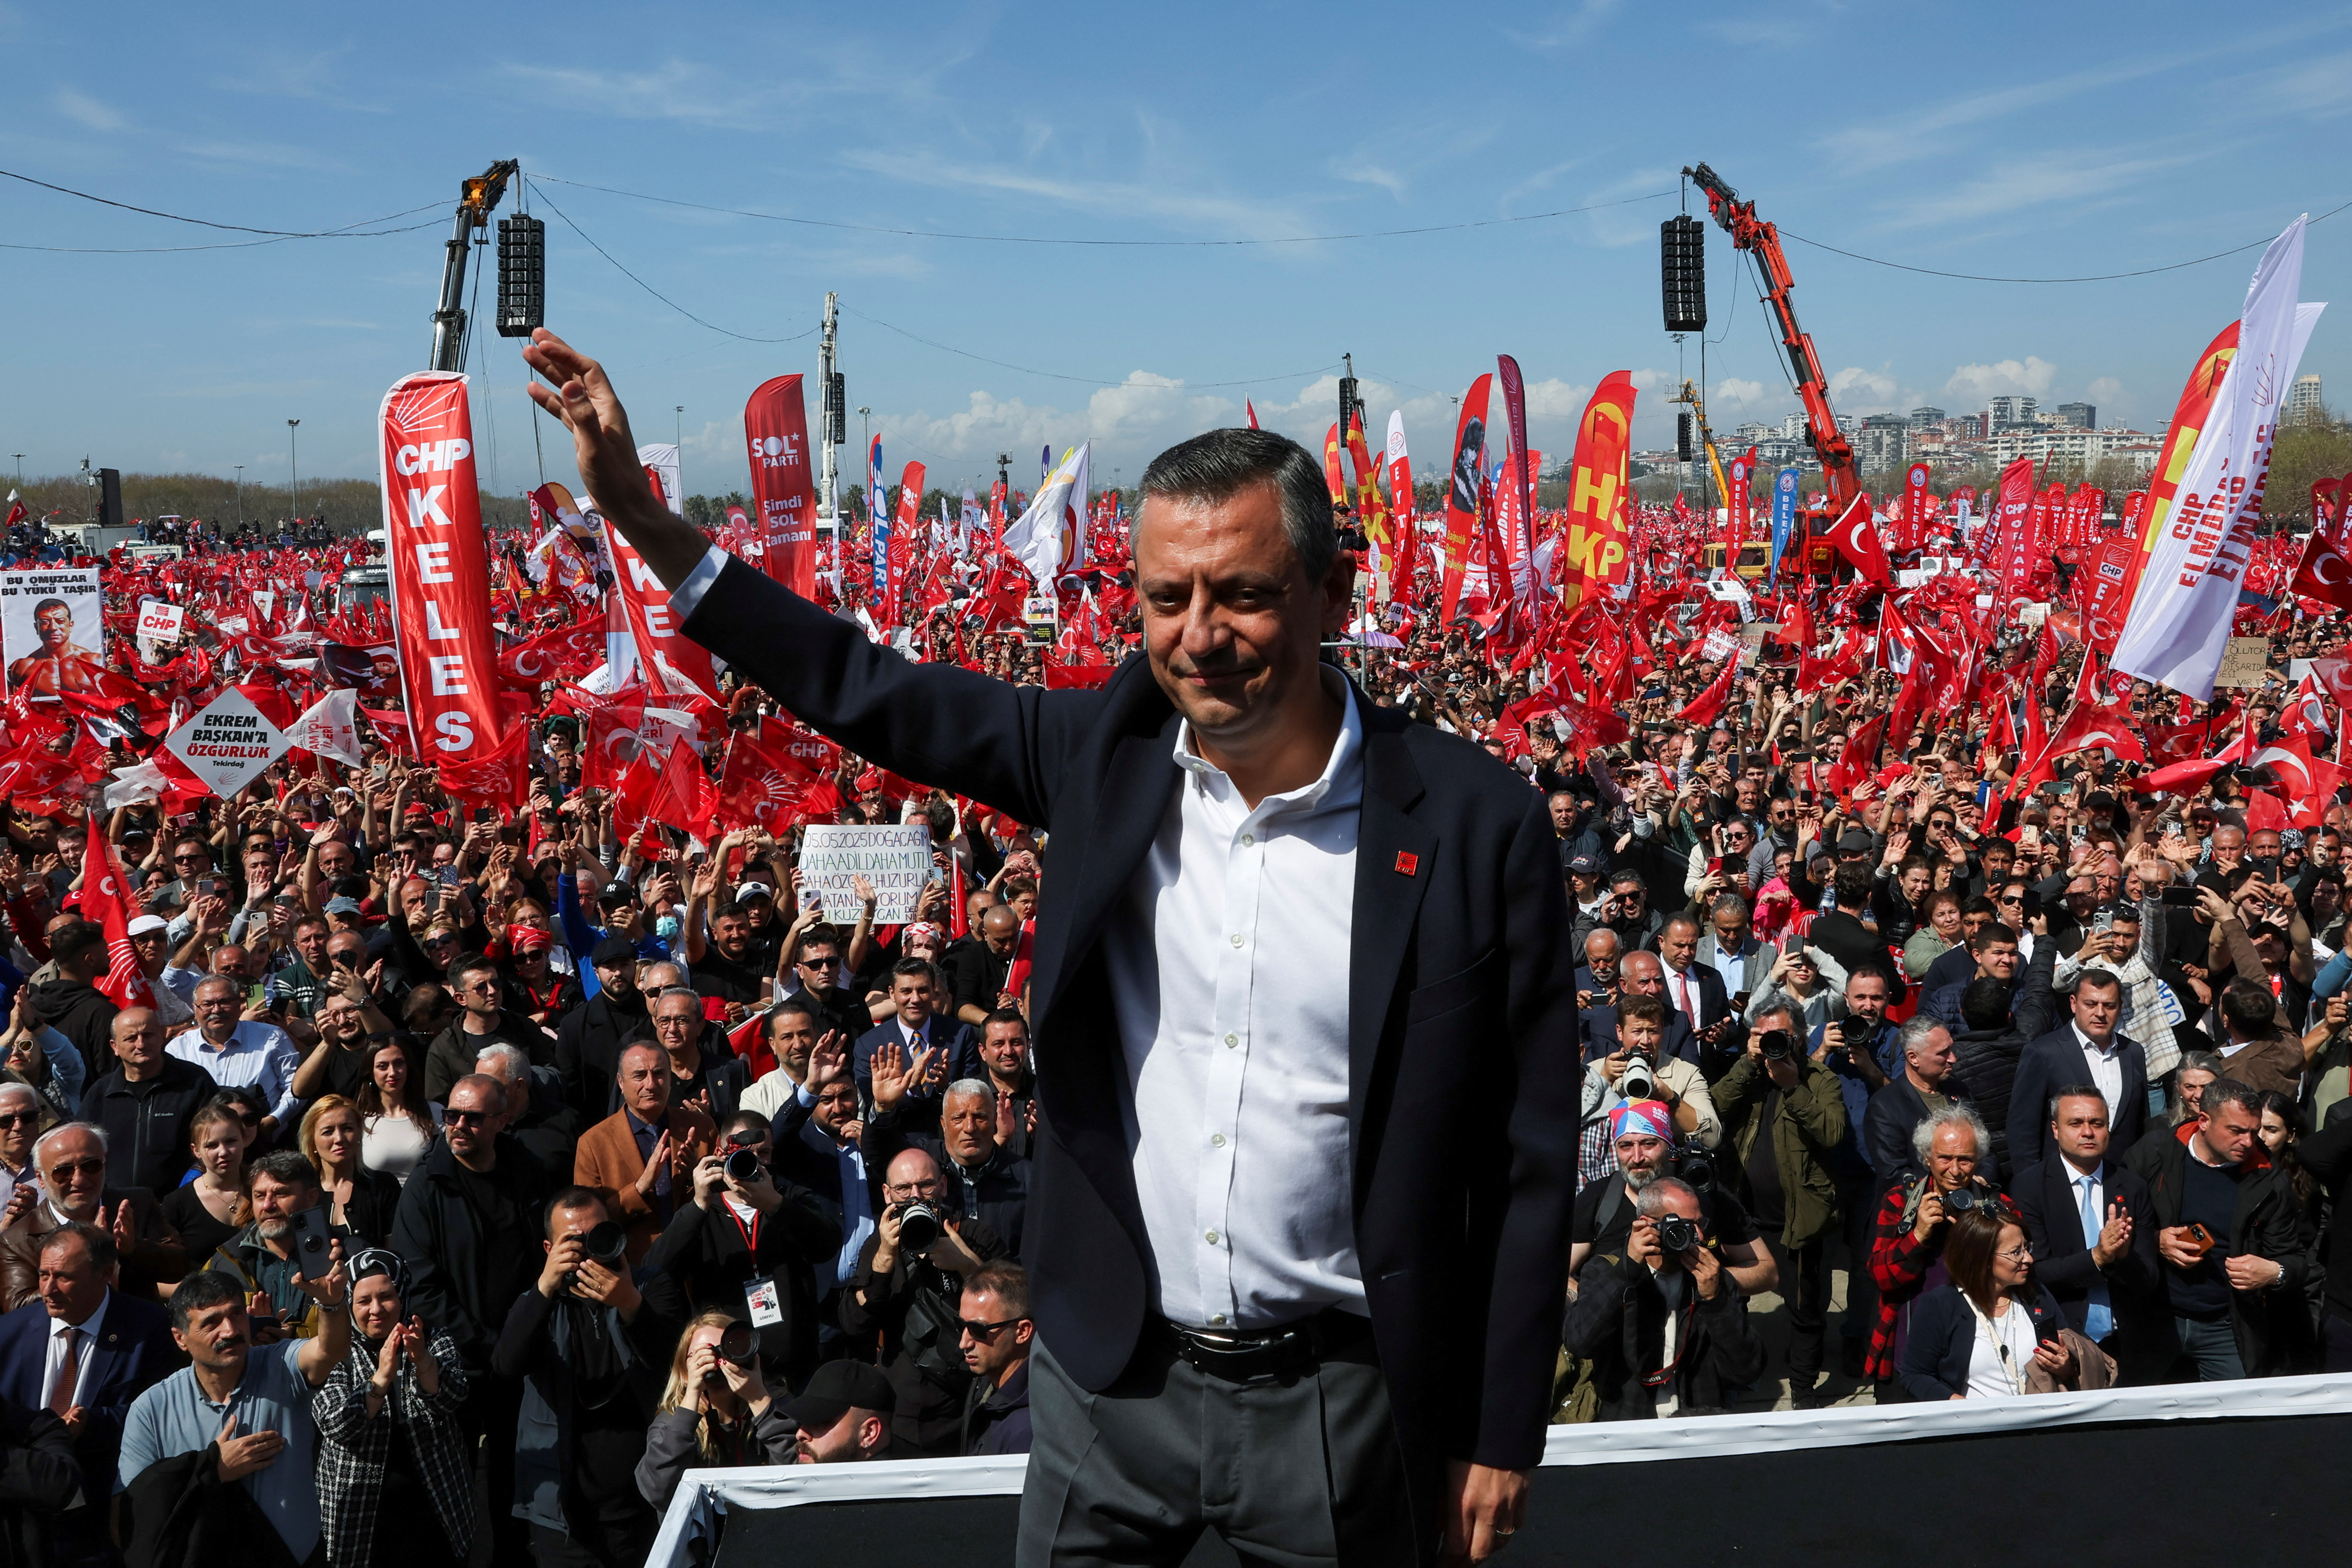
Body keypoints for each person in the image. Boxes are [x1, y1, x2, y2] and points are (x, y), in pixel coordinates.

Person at [543, 332, 1578, 1563]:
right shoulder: (1101, 757)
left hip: (1341, 1402)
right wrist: (646, 522)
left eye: (1241, 594)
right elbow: (860, 684)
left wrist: (1501, 1425)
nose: (1199, 635)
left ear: (1332, 594)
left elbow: (1527, 1154)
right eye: (1165, 598)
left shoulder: (1471, 822)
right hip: (1108, 1384)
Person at [387, 1072, 551, 1567]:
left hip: (523, 1355)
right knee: (452, 1483)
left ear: (503, 1120)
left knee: (516, 1477)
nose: (457, 1125)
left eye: (472, 1117)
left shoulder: (527, 1170)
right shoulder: (426, 1186)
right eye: (451, 1115)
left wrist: (522, 1338)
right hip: (455, 1362)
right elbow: (420, 1286)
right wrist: (485, 1343)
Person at [115, 1245, 351, 1567]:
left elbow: (328, 1350)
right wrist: (212, 1469)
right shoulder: (152, 1408)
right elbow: (135, 1508)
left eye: (236, 1314)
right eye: (211, 1322)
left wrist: (331, 1304)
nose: (230, 1330)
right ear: (180, 1338)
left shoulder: (280, 1365)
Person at [492, 1186, 686, 1568]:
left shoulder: (649, 1285)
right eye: (573, 1241)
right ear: (549, 1248)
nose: (588, 1249)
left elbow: (675, 1364)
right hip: (563, 1517)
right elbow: (506, 1365)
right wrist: (546, 1287)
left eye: (597, 1234)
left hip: (645, 1503)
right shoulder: (538, 1302)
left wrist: (629, 1302)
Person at [0, 1221, 178, 1568]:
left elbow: (161, 1413)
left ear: (106, 1274)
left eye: (64, 1277)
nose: (48, 1289)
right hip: (24, 1520)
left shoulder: (149, 1328)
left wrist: (92, 1424)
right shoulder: (9, 1331)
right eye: (43, 1275)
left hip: (102, 1516)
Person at [640, 1108, 839, 1390]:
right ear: (720, 1154)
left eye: (764, 1154)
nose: (755, 1162)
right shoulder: (702, 1214)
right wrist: (698, 1205)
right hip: (728, 1375)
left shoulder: (790, 1200)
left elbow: (826, 1246)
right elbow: (654, 1273)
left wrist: (774, 1205)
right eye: (744, 1153)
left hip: (795, 1372)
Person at [1713, 1007, 1848, 1406]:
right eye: (1763, 1034)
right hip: (1745, 1218)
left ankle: (1803, 1392)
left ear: (1800, 1038)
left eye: (1781, 1036)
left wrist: (1793, 1087)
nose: (1772, 1043)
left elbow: (1833, 1132)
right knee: (1729, 1299)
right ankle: (1736, 1374)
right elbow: (1711, 1113)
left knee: (1805, 1309)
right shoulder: (1748, 1075)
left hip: (1798, 1220)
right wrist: (1746, 1064)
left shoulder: (1819, 1079)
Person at [312, 1248, 475, 1568]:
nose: (376, 1309)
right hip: (360, 1519)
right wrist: (381, 1379)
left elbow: (453, 1397)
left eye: (386, 1296)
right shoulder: (334, 1352)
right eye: (363, 1301)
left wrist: (423, 1359)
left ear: (402, 1295)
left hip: (436, 1509)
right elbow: (336, 1425)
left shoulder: (432, 1338)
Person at [843, 1145, 1009, 1456]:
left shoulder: (974, 1236)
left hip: (966, 1409)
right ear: (887, 1194)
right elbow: (854, 1324)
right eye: (904, 1188)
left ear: (944, 1186)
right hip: (899, 1415)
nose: (916, 1196)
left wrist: (967, 1266)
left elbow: (1015, 1312)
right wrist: (884, 1260)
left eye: (926, 1185)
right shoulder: (879, 1244)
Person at [2137, 1078, 2304, 1380]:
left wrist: (2273, 1272)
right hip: (2156, 1318)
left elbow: (2295, 1259)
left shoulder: (2269, 1179)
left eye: (2254, 1131)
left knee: (2237, 1408)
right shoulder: (2156, 1153)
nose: (2248, 1142)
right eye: (2237, 1131)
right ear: (2204, 1121)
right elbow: (2111, 1225)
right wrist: (2155, 1240)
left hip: (2227, 1327)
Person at [1559, 1177, 1767, 1419]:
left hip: (1697, 1420)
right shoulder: (1606, 1271)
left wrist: (1715, 1301)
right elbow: (1580, 1342)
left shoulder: (1711, 1278)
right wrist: (1626, 1273)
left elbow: (1747, 1371)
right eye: (1685, 1226)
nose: (1699, 1235)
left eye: (1700, 1224)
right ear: (1647, 1226)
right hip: (1629, 1421)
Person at [2009, 1087, 2165, 1384]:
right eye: (2076, 1123)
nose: (2088, 1132)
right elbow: (2034, 1271)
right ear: (2055, 1129)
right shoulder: (2030, 1188)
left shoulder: (2132, 1187)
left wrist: (2122, 1258)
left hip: (2129, 1346)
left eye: (2097, 1123)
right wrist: (2097, 1258)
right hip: (2064, 1343)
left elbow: (2149, 1278)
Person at [1862, 1103, 2011, 1401]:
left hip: (1975, 1355)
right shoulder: (1900, 1202)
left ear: (1978, 1160)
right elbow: (1880, 1277)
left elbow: (2019, 1274)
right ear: (1927, 1156)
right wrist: (1918, 1235)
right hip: (1908, 1347)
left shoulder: (1998, 1207)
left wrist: (1979, 1231)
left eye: (1965, 1160)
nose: (1955, 1171)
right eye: (1945, 1158)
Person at [1568, 1099, 1773, 1298]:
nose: (1637, 1158)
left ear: (1669, 1146)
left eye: (1648, 1144)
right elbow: (1557, 1273)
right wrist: (1591, 1304)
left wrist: (1713, 1280)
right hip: (1620, 1320)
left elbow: (1768, 1273)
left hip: (1696, 1318)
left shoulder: (1706, 1196)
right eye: (1626, 1146)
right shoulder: (1599, 1200)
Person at [1895, 1206, 2090, 1399]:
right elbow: (1915, 1375)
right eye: (2016, 1252)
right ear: (1983, 1258)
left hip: (2038, 1417)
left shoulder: (2036, 1296)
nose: (2029, 1259)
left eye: (2027, 1248)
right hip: (1975, 1419)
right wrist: (1959, 1405)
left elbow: (2070, 1364)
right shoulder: (1941, 1305)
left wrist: (2064, 1367)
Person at [2, 1123, 183, 1310]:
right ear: (40, 1178)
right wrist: (84, 1269)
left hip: (139, 1324)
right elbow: (18, 1307)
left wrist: (133, 1249)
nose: (79, 1179)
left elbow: (179, 1267)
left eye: (91, 1166)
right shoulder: (16, 1240)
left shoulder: (137, 1205)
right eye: (63, 1172)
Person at [635, 1310, 795, 1512]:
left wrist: (759, 1400)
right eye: (702, 1357)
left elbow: (802, 1473)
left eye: (724, 1351)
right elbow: (658, 1493)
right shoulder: (671, 1425)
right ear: (684, 1372)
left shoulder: (777, 1405)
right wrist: (692, 1397)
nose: (716, 1364)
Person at [571, 1043, 716, 1265]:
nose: (651, 1084)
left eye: (659, 1074)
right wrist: (640, 1187)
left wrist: (693, 1177)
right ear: (621, 1082)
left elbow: (725, 1201)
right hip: (635, 1268)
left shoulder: (701, 1128)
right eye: (639, 1076)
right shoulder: (593, 1144)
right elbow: (589, 1225)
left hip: (701, 1259)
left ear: (670, 1078)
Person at [203, 1150, 354, 1340]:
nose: (268, 1205)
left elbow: (370, 1332)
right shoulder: (225, 1262)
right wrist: (249, 1333)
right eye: (260, 1196)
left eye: (281, 1194)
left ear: (311, 1197)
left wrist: (293, 1339)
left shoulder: (350, 1256)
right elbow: (203, 1333)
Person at [2009, 967, 2148, 1172]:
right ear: (2074, 1004)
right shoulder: (2043, 1053)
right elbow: (2023, 1129)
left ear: (2120, 1008)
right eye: (2090, 1004)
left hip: (2121, 1178)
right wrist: (2032, 1182)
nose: (2100, 1013)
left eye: (2109, 1006)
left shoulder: (2133, 1052)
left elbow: (2140, 1123)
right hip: (2060, 1178)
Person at [78, 1007, 217, 1197]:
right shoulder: (100, 1094)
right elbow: (82, 1150)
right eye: (131, 1038)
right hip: (114, 1204)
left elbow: (215, 1141)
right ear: (115, 1047)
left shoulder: (195, 1083)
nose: (141, 1044)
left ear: (161, 1036)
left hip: (181, 1204)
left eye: (148, 1035)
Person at [165, 977, 300, 1142]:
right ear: (195, 1009)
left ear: (238, 1004)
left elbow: (295, 1087)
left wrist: (273, 1120)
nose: (217, 1010)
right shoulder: (178, 1049)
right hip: (205, 1146)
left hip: (265, 1142)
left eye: (225, 1002)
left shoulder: (272, 1037)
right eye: (208, 1004)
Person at [1863, 1017, 1973, 1191]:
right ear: (1914, 1058)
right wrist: (1941, 1189)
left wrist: (1980, 1178)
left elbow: (1984, 1149)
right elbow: (1893, 1172)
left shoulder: (1959, 1091)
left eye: (1951, 1049)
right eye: (1943, 1053)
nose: (1953, 1058)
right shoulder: (1885, 1106)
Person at [157, 1100, 250, 1269]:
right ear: (196, 1150)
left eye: (231, 1141)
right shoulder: (177, 1204)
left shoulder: (264, 1191)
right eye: (212, 1146)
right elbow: (162, 1271)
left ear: (244, 1140)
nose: (223, 1152)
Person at [302, 1096, 404, 1246]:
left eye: (347, 1129)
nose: (339, 1138)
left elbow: (396, 1250)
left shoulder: (383, 1186)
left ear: (359, 1134)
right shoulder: (301, 1192)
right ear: (313, 1143)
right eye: (328, 1132)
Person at [959, 1260, 1036, 1455]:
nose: (964, 1343)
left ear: (1022, 1332)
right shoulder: (983, 1388)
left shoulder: (1029, 1428)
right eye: (961, 1326)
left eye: (978, 1330)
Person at [783, 1359, 898, 1464]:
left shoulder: (901, 1478)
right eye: (802, 1422)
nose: (800, 1434)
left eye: (821, 1422)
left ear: (869, 1433)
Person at [355, 1040, 438, 1184]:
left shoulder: (435, 1112)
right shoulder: (358, 1118)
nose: (392, 1073)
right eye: (382, 1066)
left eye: (399, 1063)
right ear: (371, 1072)